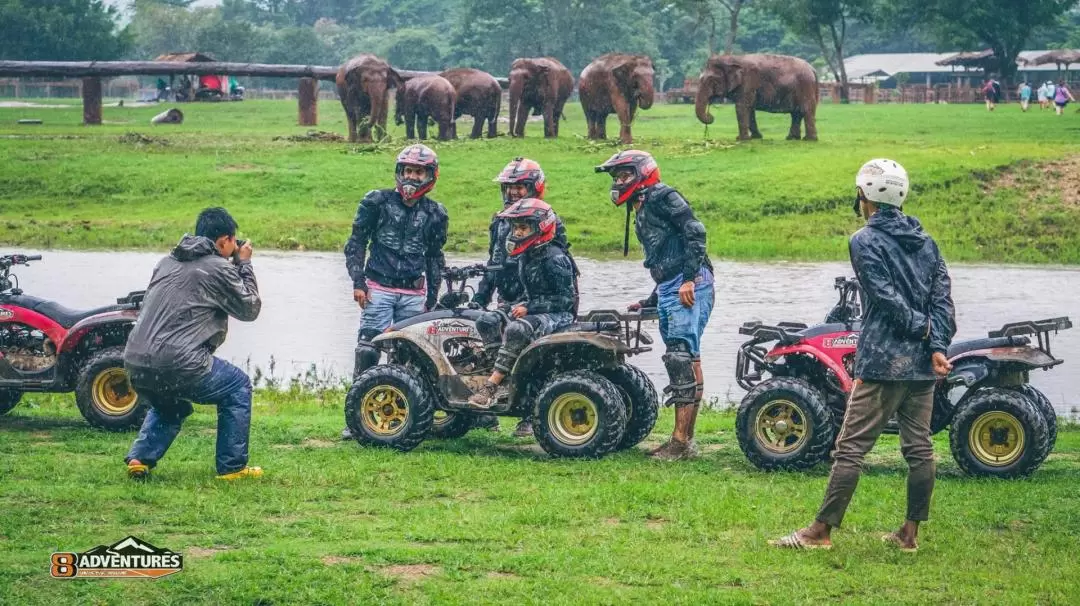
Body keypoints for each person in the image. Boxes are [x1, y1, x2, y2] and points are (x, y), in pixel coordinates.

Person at [770, 159, 956, 552]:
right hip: (923, 365)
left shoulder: (864, 241)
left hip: (883, 363)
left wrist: (923, 331)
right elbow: (943, 301)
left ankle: (818, 533)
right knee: (919, 449)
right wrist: (937, 344)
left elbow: (883, 297)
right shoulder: (927, 241)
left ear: (864, 196)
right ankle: (909, 535)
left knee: (850, 448)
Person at [124, 207, 263, 481]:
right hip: (179, 362)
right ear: (224, 241)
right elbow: (250, 308)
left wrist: (231, 264)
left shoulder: (166, 262)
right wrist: (244, 265)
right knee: (238, 386)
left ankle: (139, 460)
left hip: (135, 362)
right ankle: (232, 468)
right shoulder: (219, 267)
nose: (236, 246)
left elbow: (201, 280)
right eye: (233, 241)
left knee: (169, 405)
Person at [595, 150, 715, 461]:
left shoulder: (663, 196)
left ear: (642, 174)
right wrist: (652, 298)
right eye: (616, 177)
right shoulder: (642, 205)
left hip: (688, 283)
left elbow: (696, 231)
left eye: (624, 176)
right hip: (670, 284)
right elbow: (666, 253)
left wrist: (688, 279)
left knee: (680, 356)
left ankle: (680, 443)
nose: (619, 182)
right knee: (689, 357)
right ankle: (683, 440)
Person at [342, 144, 448, 440]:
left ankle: (404, 419)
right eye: (408, 171)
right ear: (399, 173)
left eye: (418, 171)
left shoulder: (436, 213)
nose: (412, 178)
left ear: (430, 175)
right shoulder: (376, 202)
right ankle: (355, 418)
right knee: (368, 348)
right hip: (378, 285)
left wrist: (432, 299)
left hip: (415, 292)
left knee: (410, 356)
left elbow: (434, 257)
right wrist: (358, 282)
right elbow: (356, 243)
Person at [472, 158, 571, 436]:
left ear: (535, 187)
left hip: (541, 303)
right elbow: (492, 266)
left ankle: (530, 413)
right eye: (509, 187)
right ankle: (491, 406)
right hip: (510, 300)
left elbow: (561, 271)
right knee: (488, 327)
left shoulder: (547, 220)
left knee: (536, 355)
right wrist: (479, 299)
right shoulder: (500, 221)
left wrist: (533, 305)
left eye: (520, 187)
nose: (513, 192)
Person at [468, 199, 577, 409]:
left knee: (517, 328)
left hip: (558, 314)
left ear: (541, 227)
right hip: (533, 305)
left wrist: (530, 307)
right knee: (486, 320)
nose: (517, 233)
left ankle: (492, 385)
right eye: (515, 227)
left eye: (523, 227)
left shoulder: (555, 258)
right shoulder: (526, 254)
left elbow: (566, 300)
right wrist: (519, 305)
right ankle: (500, 372)